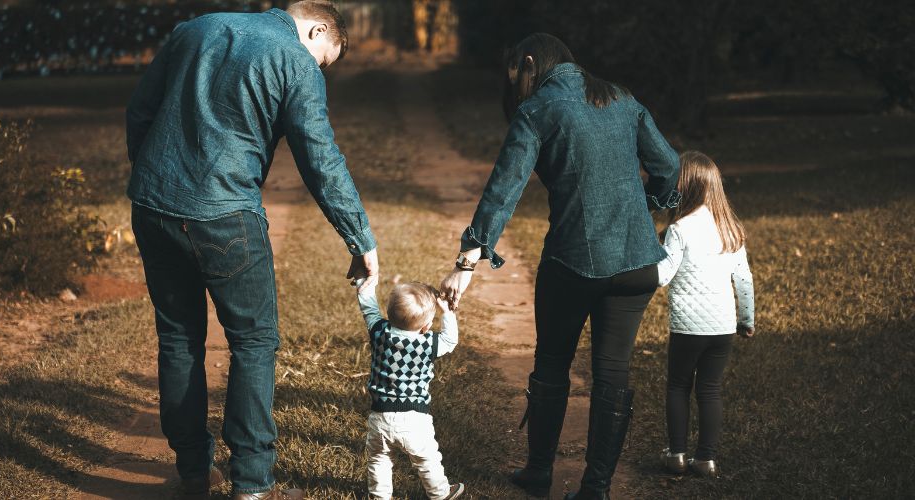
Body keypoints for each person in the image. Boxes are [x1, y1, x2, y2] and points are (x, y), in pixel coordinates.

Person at [125, 2, 379, 499]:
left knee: (178, 338)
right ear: (318, 27)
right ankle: (254, 484)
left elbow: (139, 109)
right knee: (254, 342)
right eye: (325, 58)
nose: (319, 68)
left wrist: (152, 174)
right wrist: (360, 238)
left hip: (153, 206)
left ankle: (194, 472)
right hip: (225, 214)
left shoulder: (195, 28)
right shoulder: (295, 60)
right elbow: (320, 159)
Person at [440, 33, 681, 500]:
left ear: (530, 63)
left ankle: (538, 471)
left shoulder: (539, 109)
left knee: (552, 363)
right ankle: (595, 489)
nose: (518, 89)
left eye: (518, 77)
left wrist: (466, 261)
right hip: (637, 265)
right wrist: (644, 207)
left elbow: (503, 189)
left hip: (573, 261)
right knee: (613, 372)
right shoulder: (622, 97)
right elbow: (668, 166)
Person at [656, 151, 755, 478]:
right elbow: (743, 279)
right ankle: (707, 460)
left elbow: (663, 276)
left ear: (683, 187)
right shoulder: (730, 229)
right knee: (710, 389)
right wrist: (746, 320)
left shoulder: (680, 229)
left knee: (678, 387)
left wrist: (646, 256)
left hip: (687, 328)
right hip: (723, 326)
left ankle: (677, 456)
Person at [353, 279, 465, 500]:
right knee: (427, 459)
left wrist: (364, 284)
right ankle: (440, 493)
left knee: (379, 460)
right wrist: (447, 313)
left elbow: (369, 309)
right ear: (425, 327)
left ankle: (379, 497)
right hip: (415, 419)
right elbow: (450, 340)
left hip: (380, 416)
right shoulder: (428, 343)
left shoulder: (379, 333)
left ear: (390, 314)